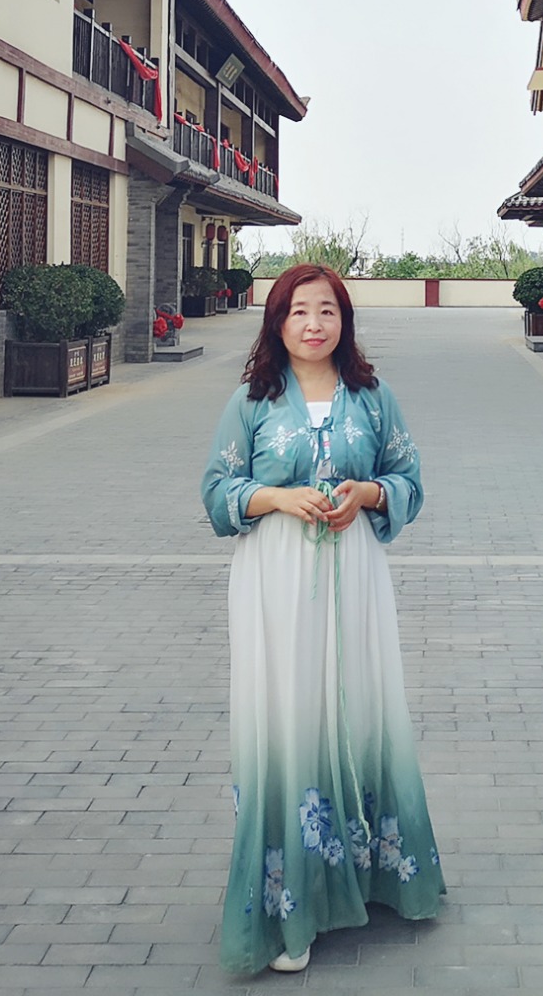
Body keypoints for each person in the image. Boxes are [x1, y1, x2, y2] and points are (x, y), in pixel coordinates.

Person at [201, 263, 445, 975]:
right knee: (289, 717)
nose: (314, 324)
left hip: (355, 573)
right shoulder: (252, 401)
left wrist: (368, 493)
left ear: (345, 321)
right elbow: (216, 491)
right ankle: (291, 907)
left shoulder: (373, 398)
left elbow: (409, 480)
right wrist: (277, 499)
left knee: (360, 710)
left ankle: (373, 877)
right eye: (299, 311)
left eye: (328, 311)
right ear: (277, 322)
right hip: (274, 578)